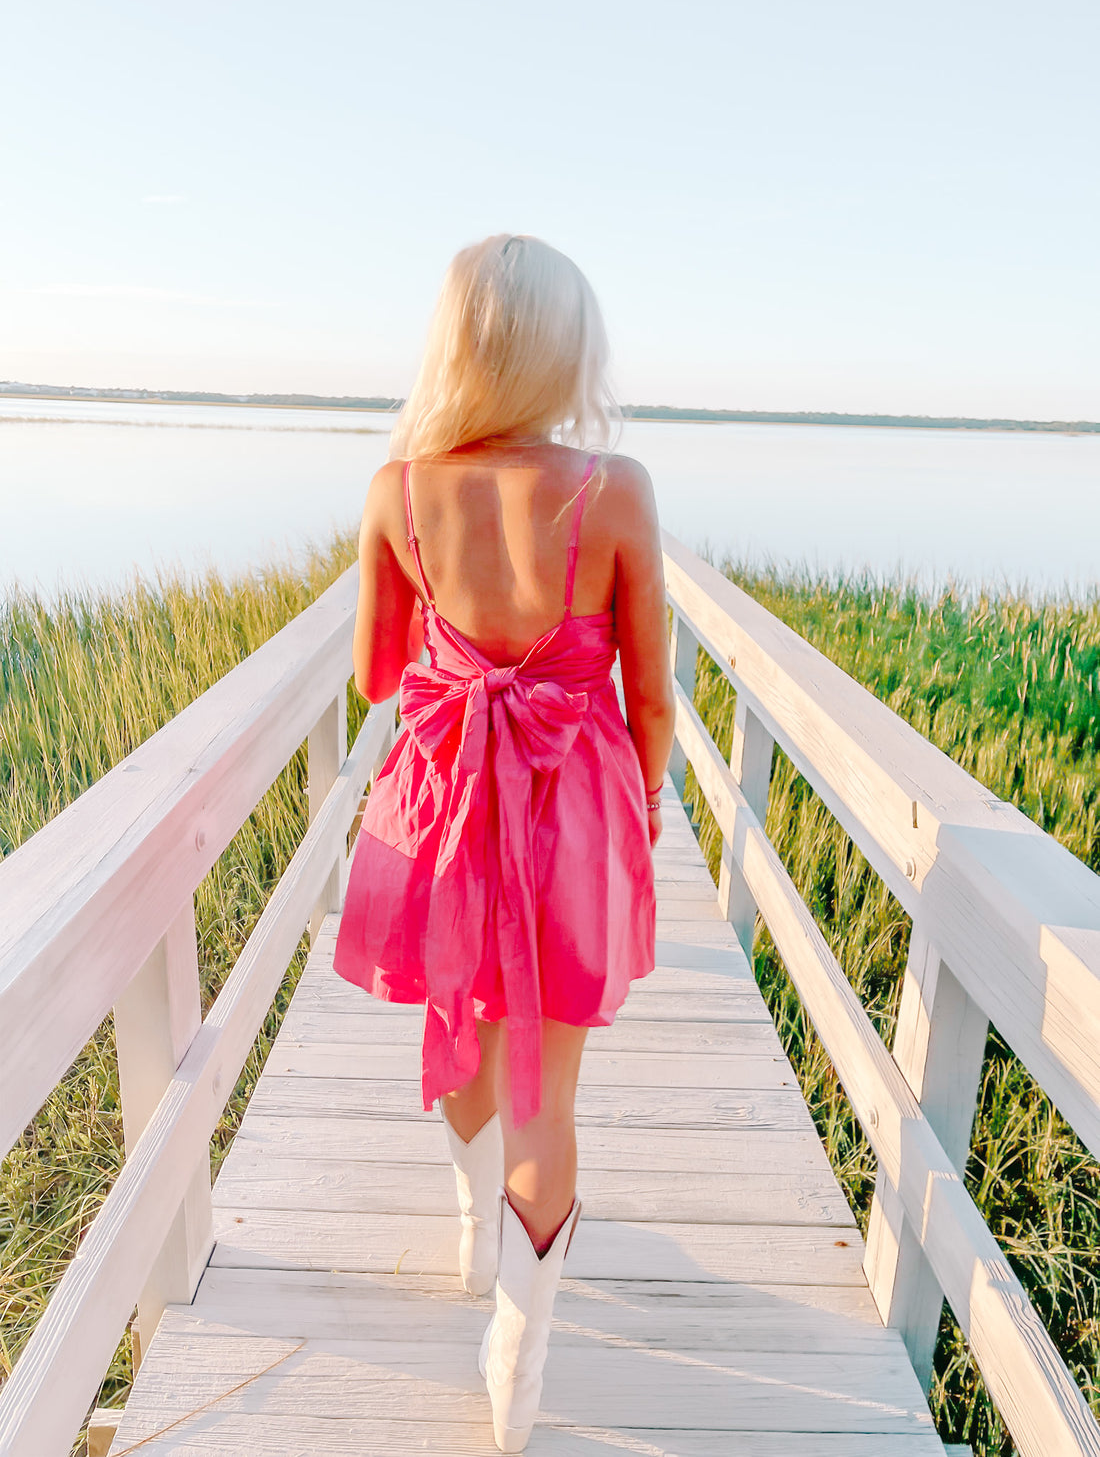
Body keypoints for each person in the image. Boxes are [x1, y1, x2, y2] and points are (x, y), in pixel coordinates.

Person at [332, 232, 675, 1452]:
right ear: (560, 348)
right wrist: (630, 812)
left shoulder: (398, 488)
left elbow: (380, 675)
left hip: (441, 807)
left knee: (467, 1023)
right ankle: (517, 1359)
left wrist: (445, 624)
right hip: (569, 807)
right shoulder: (617, 488)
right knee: (548, 1086)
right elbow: (650, 702)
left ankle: (476, 1222)